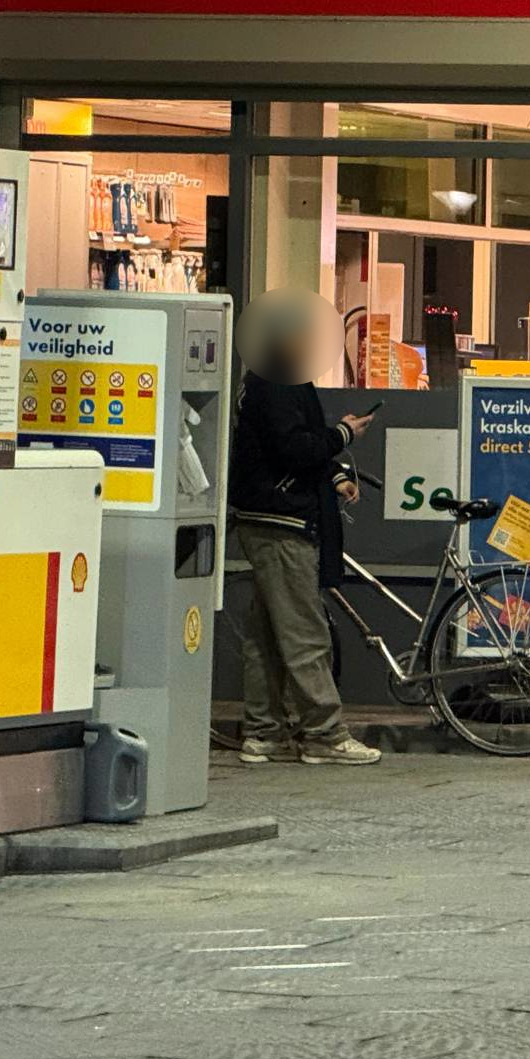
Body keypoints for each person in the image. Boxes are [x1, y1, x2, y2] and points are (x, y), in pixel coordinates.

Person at [229, 309, 383, 767]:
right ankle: (324, 734)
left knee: (268, 634)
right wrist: (342, 435)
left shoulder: (268, 380)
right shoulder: (279, 384)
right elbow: (295, 448)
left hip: (266, 517)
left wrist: (335, 475)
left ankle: (264, 732)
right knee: (303, 631)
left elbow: (291, 445)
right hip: (283, 523)